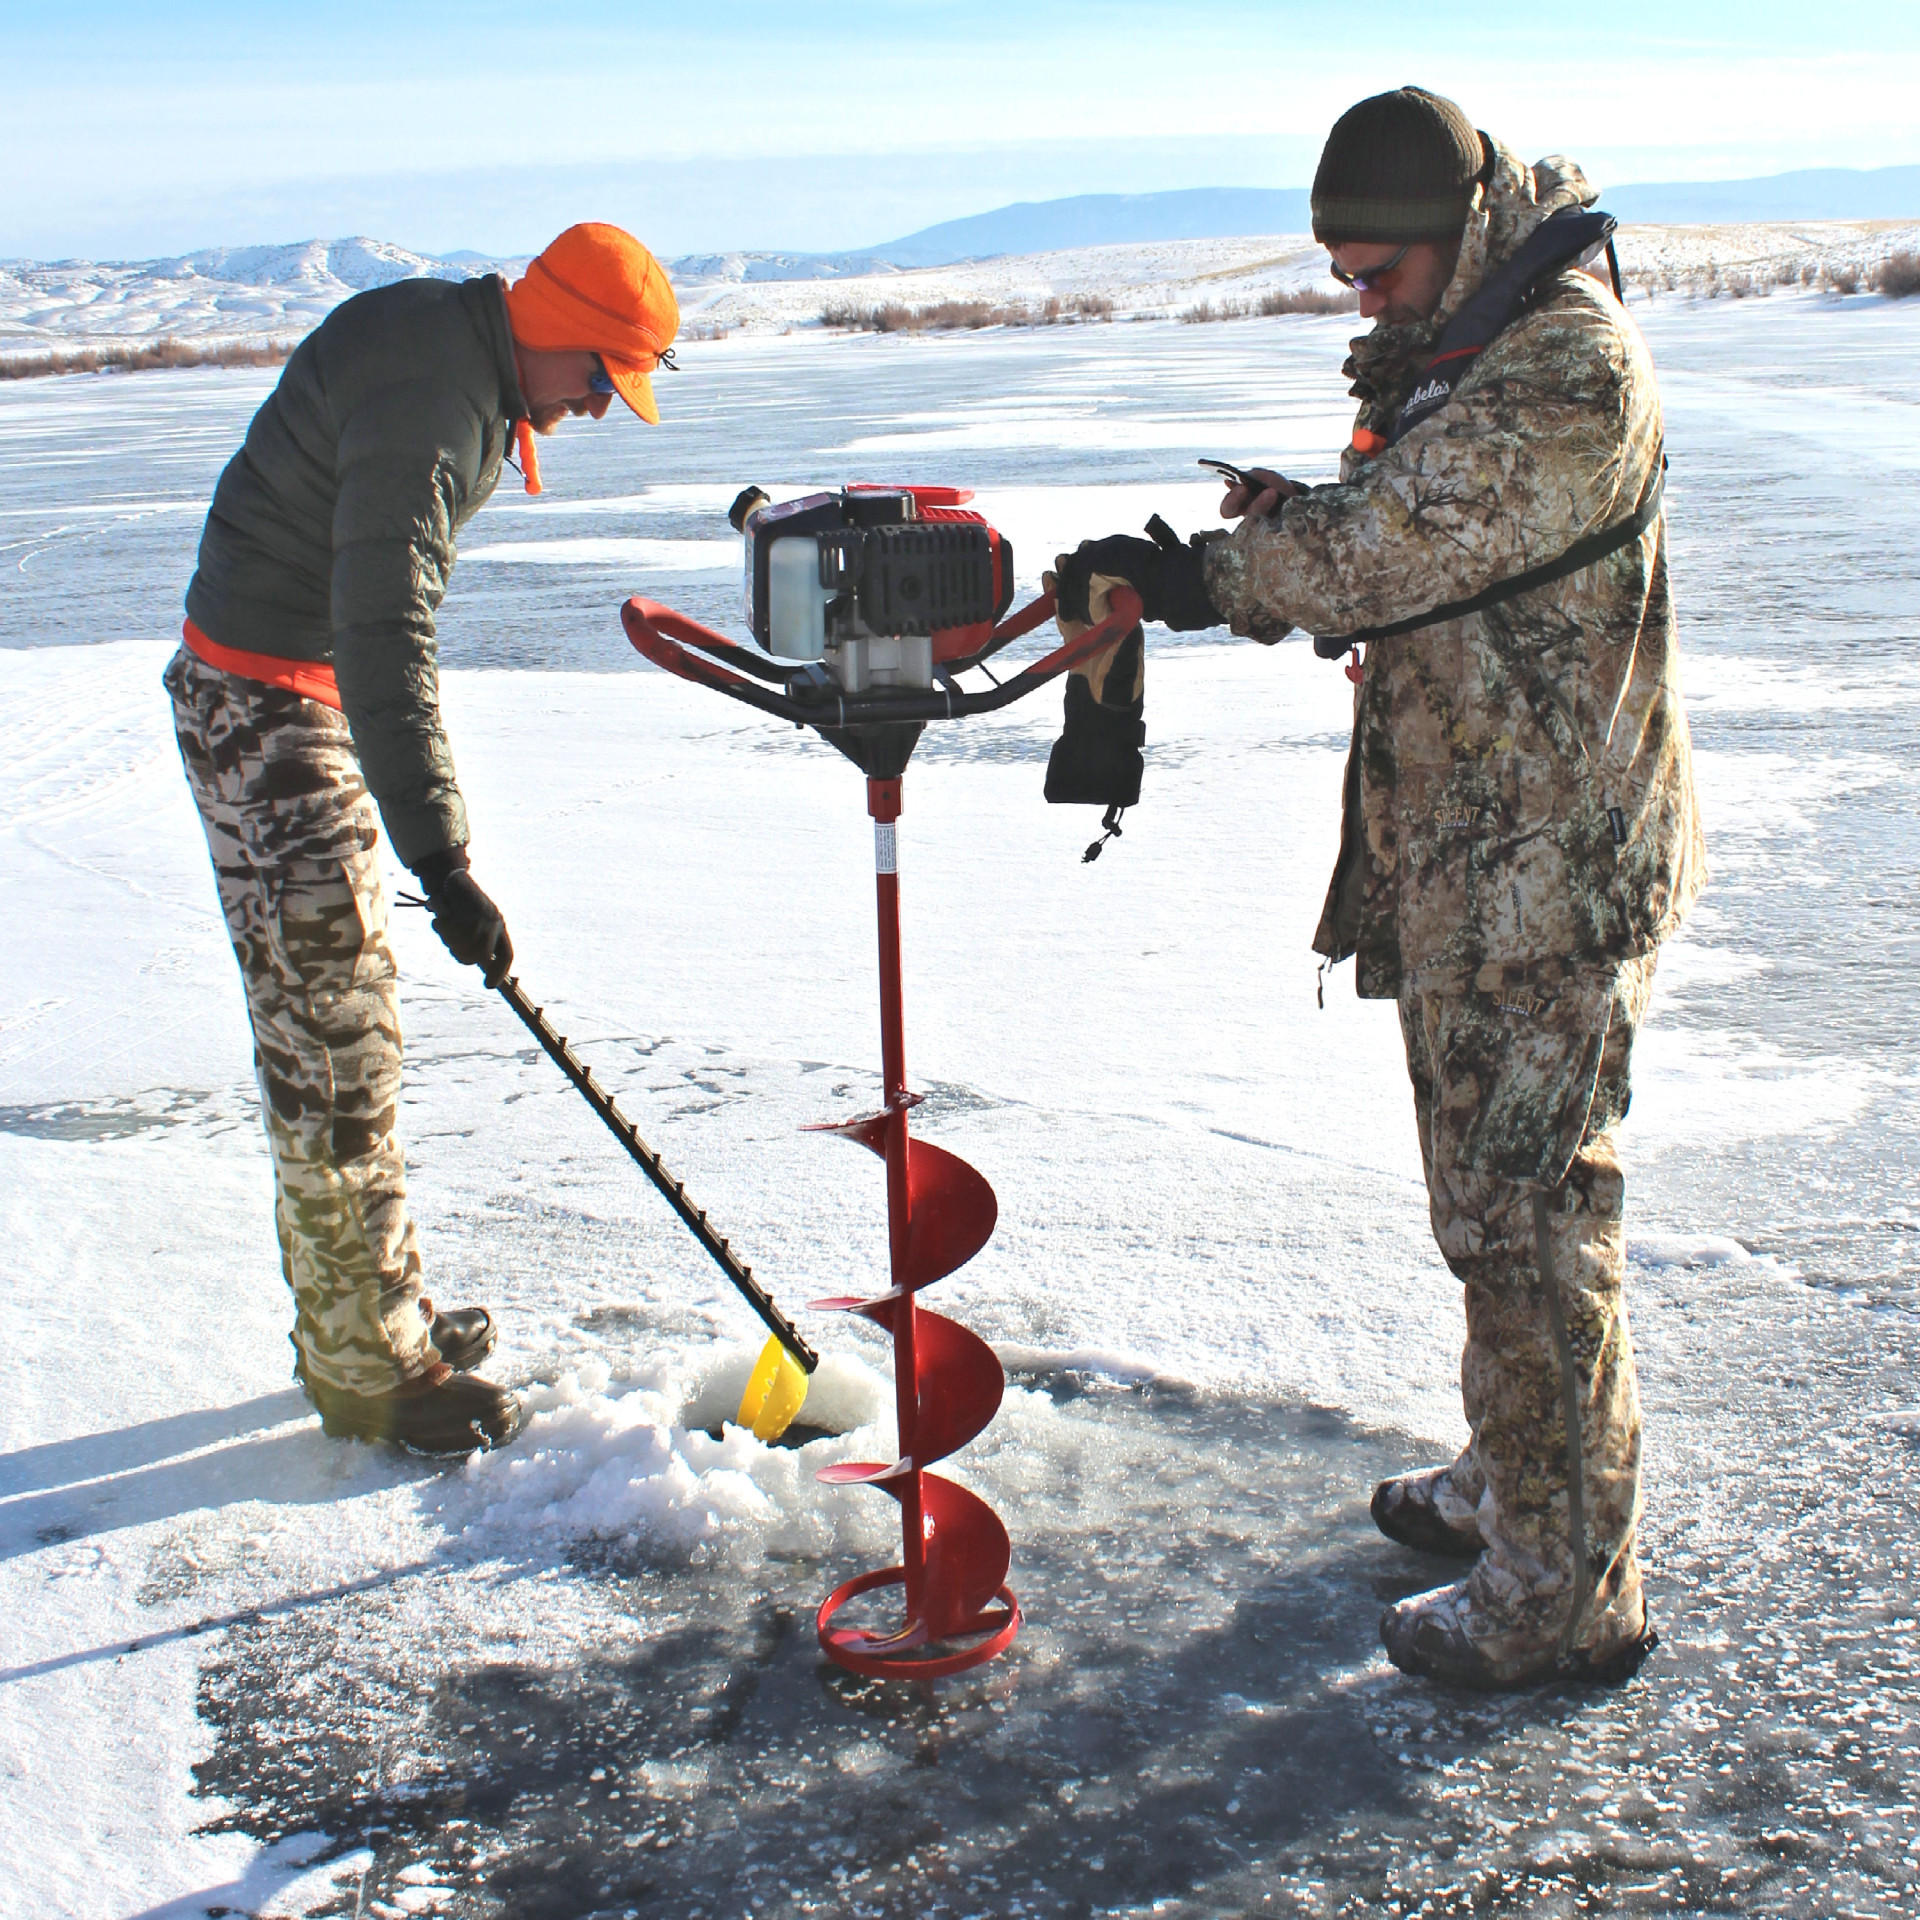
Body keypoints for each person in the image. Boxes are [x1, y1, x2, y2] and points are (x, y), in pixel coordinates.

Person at [1051, 88, 1706, 1688]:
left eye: (1376, 276)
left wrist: (1224, 576)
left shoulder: (1565, 361)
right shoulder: (1474, 348)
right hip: (1477, 861)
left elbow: (1408, 541)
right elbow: (1405, 542)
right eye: (1343, 277)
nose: (1362, 305)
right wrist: (1304, 525)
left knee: (1538, 1227)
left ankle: (1568, 1592)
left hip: (1552, 871)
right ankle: (1518, 1481)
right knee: (1485, 1216)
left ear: (1452, 236)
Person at [165, 224, 680, 1456]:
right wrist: (441, 860)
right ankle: (367, 1372)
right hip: (271, 711)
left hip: (280, 692)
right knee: (332, 1036)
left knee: (338, 1025)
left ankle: (371, 1315)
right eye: (603, 377)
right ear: (555, 329)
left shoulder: (447, 342)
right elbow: (385, 631)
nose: (603, 409)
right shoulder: (434, 402)